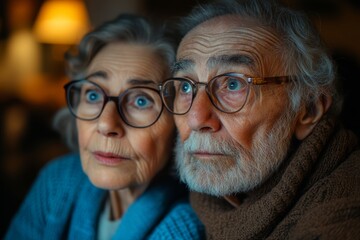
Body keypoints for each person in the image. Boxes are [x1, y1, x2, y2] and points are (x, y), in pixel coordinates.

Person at [159, 0, 360, 239]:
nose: (196, 119)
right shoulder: (188, 204)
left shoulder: (341, 215)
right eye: (185, 85)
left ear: (309, 109)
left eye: (233, 84)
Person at [5, 14, 204, 239]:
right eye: (92, 94)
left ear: (180, 125)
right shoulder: (57, 180)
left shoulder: (184, 228)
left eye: (141, 100)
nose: (106, 124)